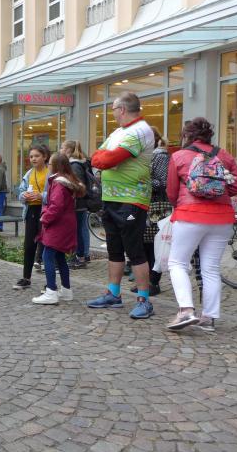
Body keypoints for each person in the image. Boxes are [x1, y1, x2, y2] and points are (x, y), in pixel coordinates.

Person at [166, 118, 237, 331]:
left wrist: (182, 203)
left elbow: (171, 191)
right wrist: (218, 191)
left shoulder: (179, 156)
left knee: (178, 263)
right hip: (222, 218)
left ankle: (186, 311)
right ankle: (208, 318)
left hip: (189, 215)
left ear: (187, 135)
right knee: (211, 268)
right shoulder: (224, 155)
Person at [88, 92, 156, 319]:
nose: (113, 114)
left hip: (132, 200)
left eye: (114, 110)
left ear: (123, 109)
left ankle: (144, 300)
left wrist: (104, 160)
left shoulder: (140, 130)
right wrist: (102, 159)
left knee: (135, 251)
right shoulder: (118, 132)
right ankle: (113, 294)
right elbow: (95, 156)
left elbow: (108, 159)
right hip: (111, 198)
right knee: (114, 249)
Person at [32, 155, 87, 305]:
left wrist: (44, 218)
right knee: (60, 257)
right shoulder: (67, 181)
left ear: (55, 166)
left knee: (47, 255)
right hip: (66, 224)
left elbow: (56, 206)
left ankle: (51, 291)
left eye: (50, 164)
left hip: (58, 225)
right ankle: (66, 290)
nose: (48, 166)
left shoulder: (58, 183)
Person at [133, 130, 171, 296]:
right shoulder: (146, 157)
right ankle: (146, 281)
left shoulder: (160, 156)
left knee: (155, 244)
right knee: (145, 243)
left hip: (157, 206)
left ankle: (153, 282)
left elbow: (162, 183)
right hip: (145, 204)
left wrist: (141, 180)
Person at [13, 145, 50, 290]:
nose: (33, 159)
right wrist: (24, 196)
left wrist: (41, 196)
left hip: (46, 212)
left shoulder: (50, 173)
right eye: (31, 156)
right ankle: (26, 278)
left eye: (37, 156)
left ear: (45, 157)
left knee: (47, 246)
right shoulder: (29, 173)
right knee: (29, 245)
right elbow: (21, 192)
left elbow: (56, 195)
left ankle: (50, 282)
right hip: (31, 211)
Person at [61, 140, 91, 268]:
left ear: (68, 150)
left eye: (62, 148)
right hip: (79, 203)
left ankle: (80, 257)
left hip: (77, 204)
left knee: (77, 231)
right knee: (80, 229)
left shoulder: (74, 165)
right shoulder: (78, 163)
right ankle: (82, 255)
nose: (60, 150)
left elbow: (78, 185)